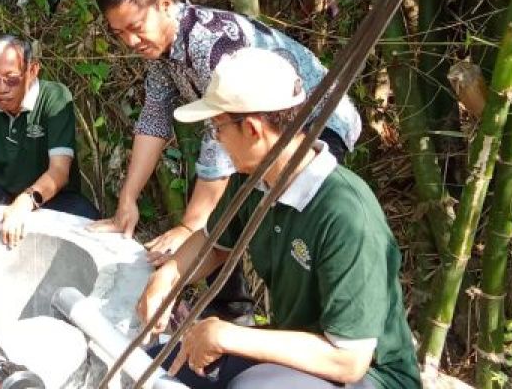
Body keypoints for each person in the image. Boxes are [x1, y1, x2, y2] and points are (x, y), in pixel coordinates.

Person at [89, 0, 363, 319]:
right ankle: (231, 312)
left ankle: (310, 326)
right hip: (250, 134)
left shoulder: (210, 41)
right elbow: (154, 118)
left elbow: (220, 145)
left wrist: (189, 226)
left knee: (276, 223)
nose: (130, 41)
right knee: (217, 214)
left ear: (165, 5)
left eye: (136, 27)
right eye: (120, 33)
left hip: (315, 122)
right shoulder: (160, 52)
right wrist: (128, 199)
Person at [138, 48, 421, 389]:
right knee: (158, 365)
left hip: (369, 376)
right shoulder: (253, 180)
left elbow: (349, 360)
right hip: (294, 352)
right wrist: (167, 278)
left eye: (217, 129)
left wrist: (227, 335)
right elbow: (214, 246)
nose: (216, 140)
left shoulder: (346, 216)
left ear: (254, 129)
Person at [0, 35, 99, 248]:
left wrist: (25, 202)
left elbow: (59, 171)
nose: (1, 88)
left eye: (11, 78)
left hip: (50, 199)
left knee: (89, 219)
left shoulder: (54, 97)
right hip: (3, 194)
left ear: (32, 71)